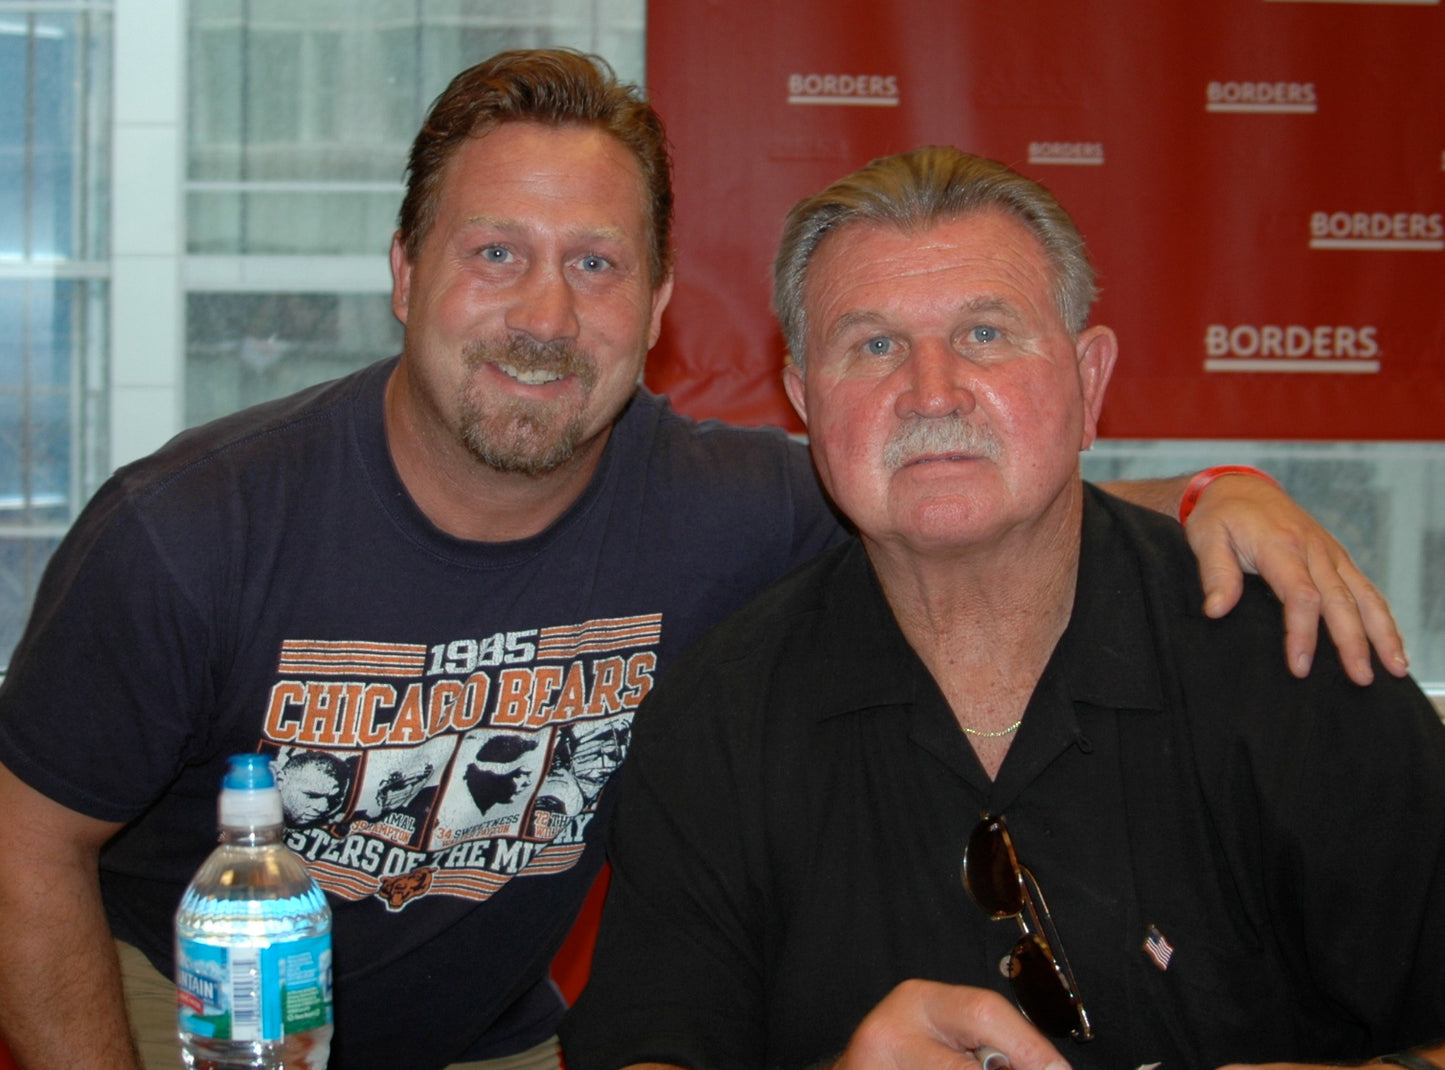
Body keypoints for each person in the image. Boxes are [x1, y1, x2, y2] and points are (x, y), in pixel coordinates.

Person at [0, 50, 1409, 1070]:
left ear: (662, 306)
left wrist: (1230, 487)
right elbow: (22, 843)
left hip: (491, 1040)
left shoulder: (730, 508)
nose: (545, 313)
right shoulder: (188, 531)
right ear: (404, 274)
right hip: (199, 1010)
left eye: (598, 265)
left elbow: (962, 469)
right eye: (496, 253)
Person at [559, 148, 1445, 1070]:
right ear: (803, 404)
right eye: (872, 346)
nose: (931, 391)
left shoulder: (1292, 657)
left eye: (985, 333)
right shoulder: (718, 716)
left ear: (1088, 381)